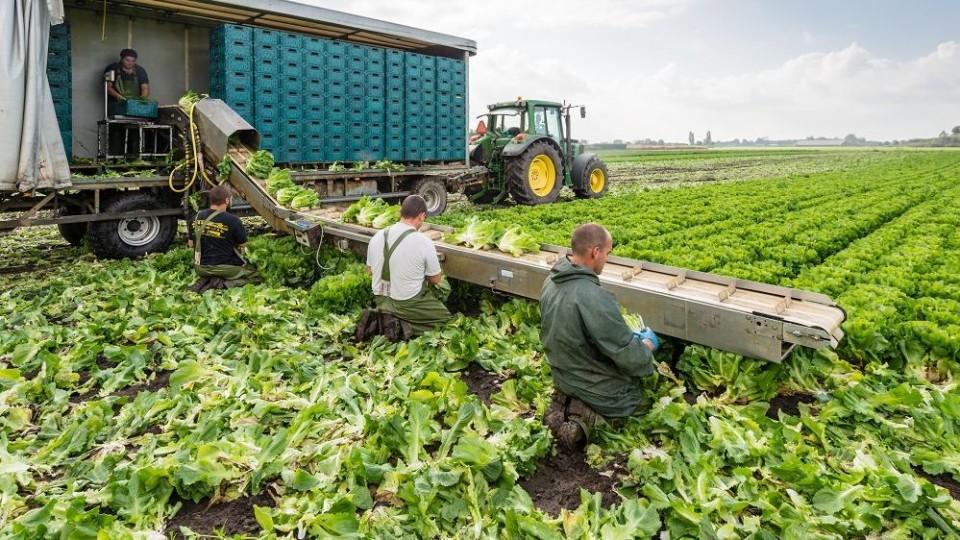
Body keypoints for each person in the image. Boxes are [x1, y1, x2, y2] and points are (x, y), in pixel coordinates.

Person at [540, 223, 659, 449]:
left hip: (563, 374)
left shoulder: (551, 281)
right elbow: (626, 353)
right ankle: (589, 422)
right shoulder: (593, 296)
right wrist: (646, 346)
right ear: (595, 252)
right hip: (589, 381)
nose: (607, 258)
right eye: (607, 252)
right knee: (635, 400)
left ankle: (566, 405)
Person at [359, 195, 452, 340]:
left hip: (381, 298)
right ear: (421, 216)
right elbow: (435, 280)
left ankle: (386, 317)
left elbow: (370, 271)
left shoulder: (377, 237)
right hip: (406, 301)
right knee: (446, 321)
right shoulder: (423, 242)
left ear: (400, 213)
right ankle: (404, 327)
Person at [187, 184, 257, 292]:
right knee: (255, 275)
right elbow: (243, 245)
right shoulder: (233, 220)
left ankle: (207, 279)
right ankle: (222, 284)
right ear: (227, 200)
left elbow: (191, 244)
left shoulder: (195, 218)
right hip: (225, 268)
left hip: (200, 268)